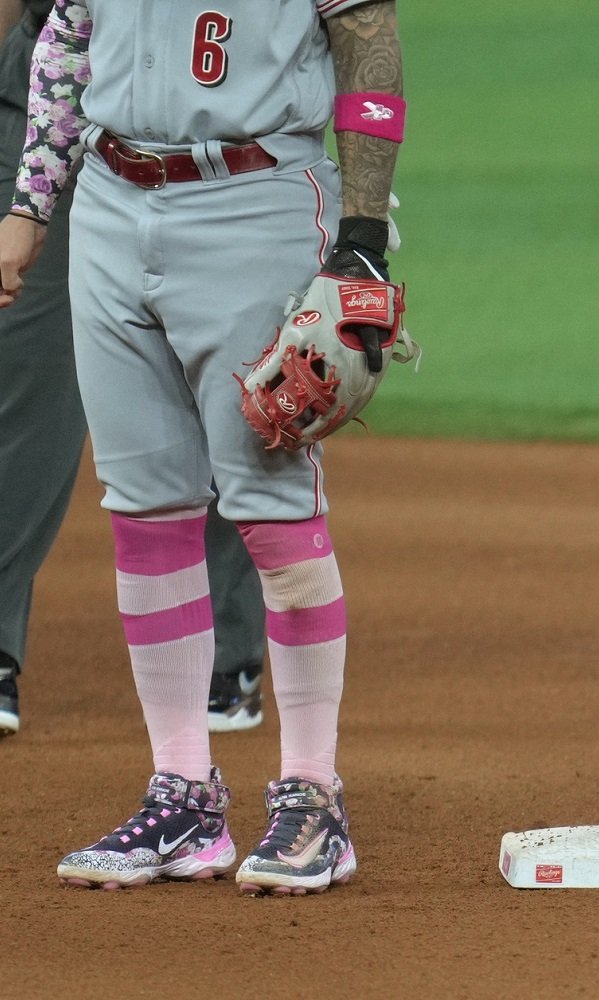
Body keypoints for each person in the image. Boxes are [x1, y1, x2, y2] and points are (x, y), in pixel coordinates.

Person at [0, 0, 407, 895]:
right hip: (108, 204)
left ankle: (313, 797)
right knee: (144, 507)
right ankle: (183, 795)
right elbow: (67, 35)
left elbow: (368, 44)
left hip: (256, 201)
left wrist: (363, 239)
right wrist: (30, 204)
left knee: (270, 505)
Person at [0, 0, 266, 738]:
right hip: (49, 86)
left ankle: (225, 653)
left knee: (223, 389)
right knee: (22, 371)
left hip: (226, 127)